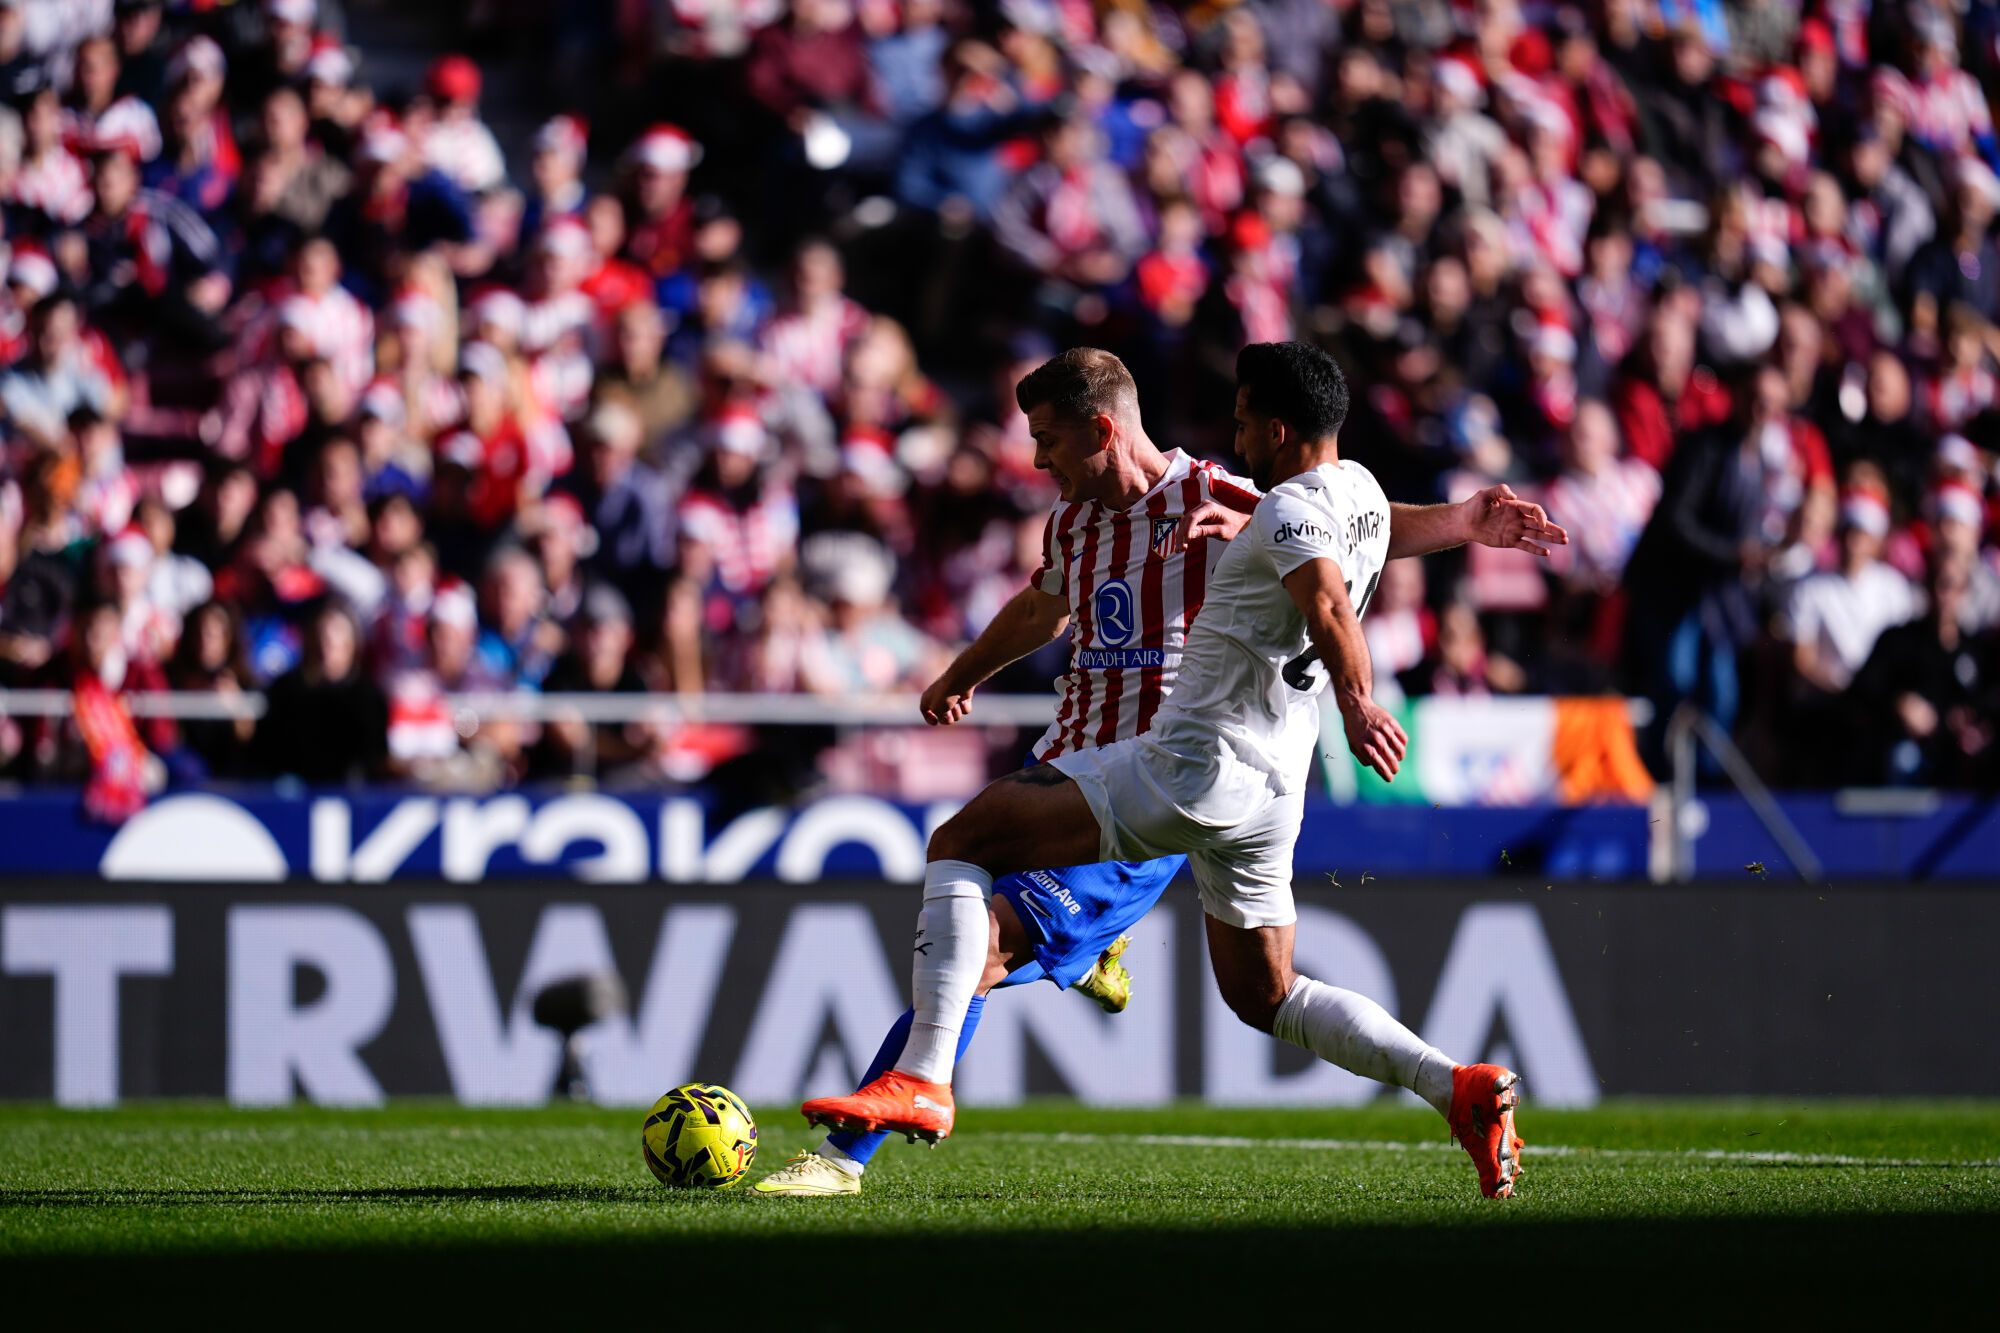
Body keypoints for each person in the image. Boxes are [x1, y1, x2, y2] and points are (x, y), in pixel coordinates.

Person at [782, 344, 1567, 1199]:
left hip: (1170, 781)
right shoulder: (1074, 520)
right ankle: (1453, 1085)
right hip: (1126, 768)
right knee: (1263, 992)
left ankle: (845, 1154)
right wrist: (963, 672)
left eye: (1048, 438)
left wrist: (1360, 686)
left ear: (1103, 428)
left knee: (974, 907)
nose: (1038, 459)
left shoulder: (1222, 494)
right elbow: (1046, 604)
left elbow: (1324, 569)